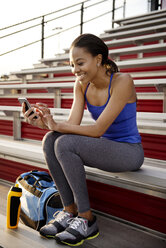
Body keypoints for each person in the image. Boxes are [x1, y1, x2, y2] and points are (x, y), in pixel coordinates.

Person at [22, 33, 144, 246]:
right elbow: (72, 127)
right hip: (105, 147)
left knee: (63, 141)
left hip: (129, 152)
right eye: (72, 65)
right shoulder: (81, 84)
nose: (75, 70)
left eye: (80, 63)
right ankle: (69, 211)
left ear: (98, 59)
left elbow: (97, 130)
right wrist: (45, 122)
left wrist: (57, 126)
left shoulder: (122, 81)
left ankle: (86, 218)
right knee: (52, 139)